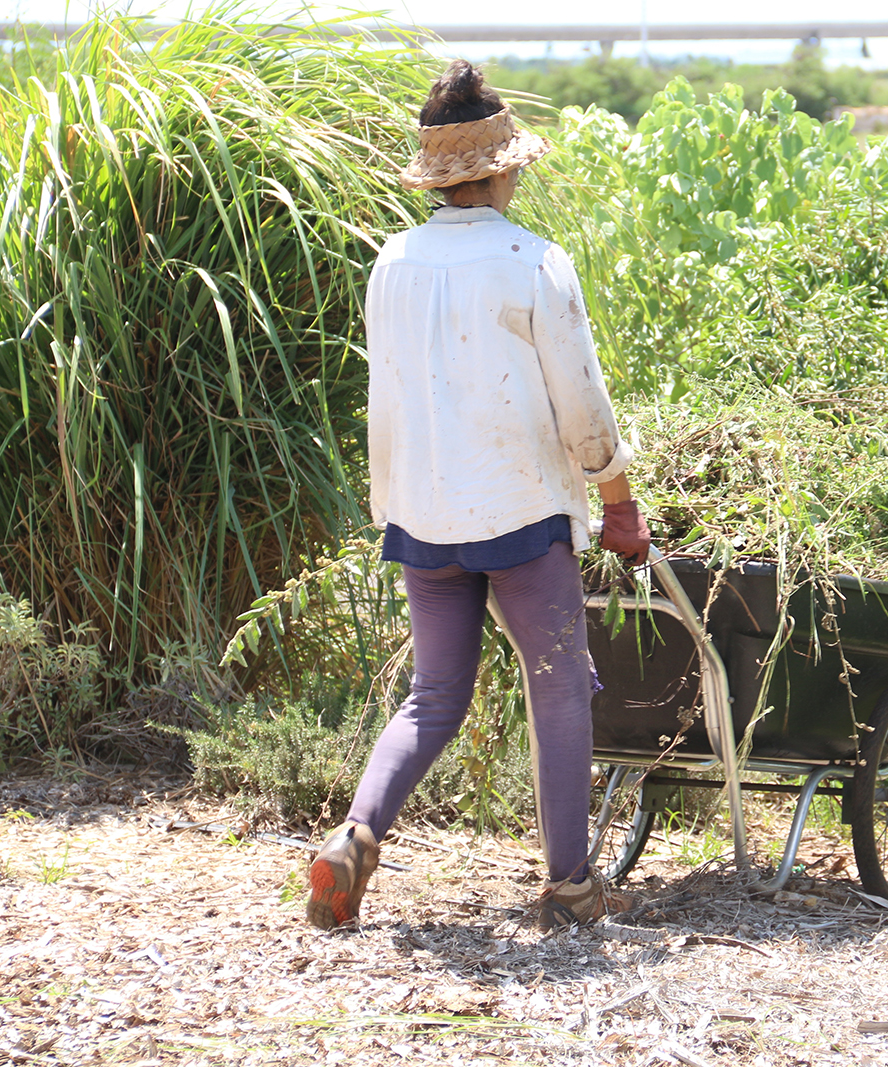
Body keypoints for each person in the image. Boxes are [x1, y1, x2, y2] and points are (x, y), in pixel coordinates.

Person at [306, 60, 650, 931]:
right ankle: (571, 884)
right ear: (499, 170)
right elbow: (581, 401)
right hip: (520, 512)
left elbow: (390, 386)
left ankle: (353, 839)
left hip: (421, 511)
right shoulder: (531, 260)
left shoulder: (393, 259)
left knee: (434, 694)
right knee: (559, 683)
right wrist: (617, 499)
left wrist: (395, 501)